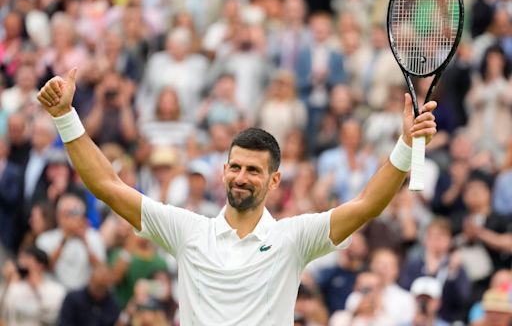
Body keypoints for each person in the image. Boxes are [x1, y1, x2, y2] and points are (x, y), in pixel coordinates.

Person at [37, 68, 437, 325]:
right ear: (223, 170)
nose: (242, 177)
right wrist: (65, 116)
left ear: (274, 180)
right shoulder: (187, 230)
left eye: (253, 170)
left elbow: (368, 203)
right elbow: (107, 185)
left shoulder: (293, 238)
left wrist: (405, 144)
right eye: (236, 167)